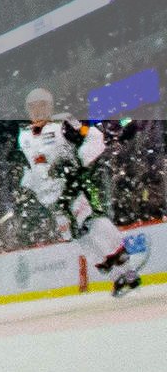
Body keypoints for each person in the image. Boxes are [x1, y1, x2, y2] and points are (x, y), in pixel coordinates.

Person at [19, 87, 142, 296]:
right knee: (79, 239)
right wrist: (26, 188)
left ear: (49, 107)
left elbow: (93, 137)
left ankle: (127, 269)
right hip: (53, 199)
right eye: (33, 107)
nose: (37, 111)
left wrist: (73, 164)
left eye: (42, 106)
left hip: (74, 187)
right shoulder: (23, 137)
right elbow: (31, 168)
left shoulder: (64, 124)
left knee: (94, 223)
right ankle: (115, 277)